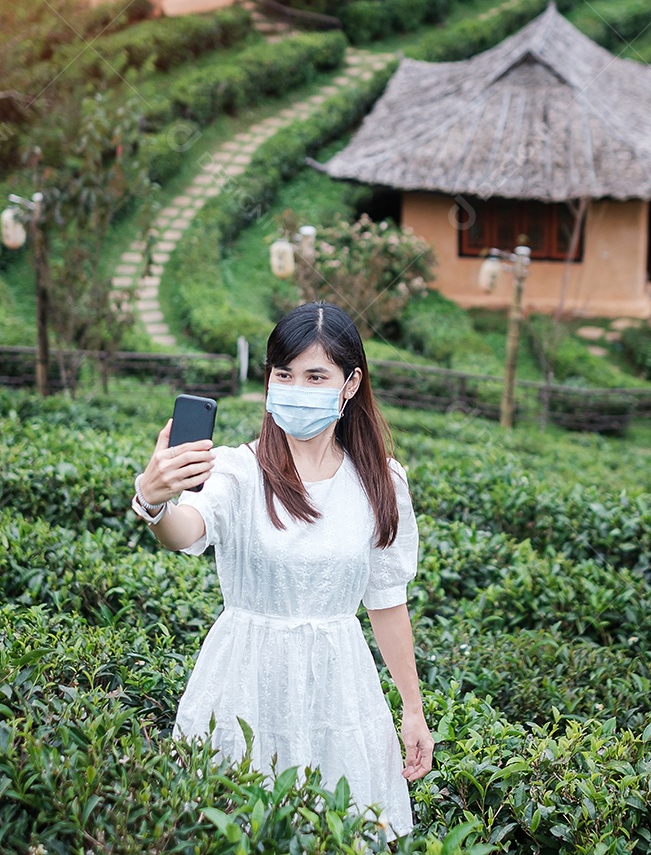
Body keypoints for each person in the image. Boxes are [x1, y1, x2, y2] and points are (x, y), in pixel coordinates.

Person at [131, 302, 433, 838]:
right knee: (230, 829)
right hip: (243, 680)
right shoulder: (237, 469)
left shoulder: (382, 483)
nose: (297, 387)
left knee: (338, 831)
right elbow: (188, 529)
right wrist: (153, 501)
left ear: (350, 383)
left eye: (316, 375)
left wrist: (413, 707)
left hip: (339, 687)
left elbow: (386, 600)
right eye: (284, 374)